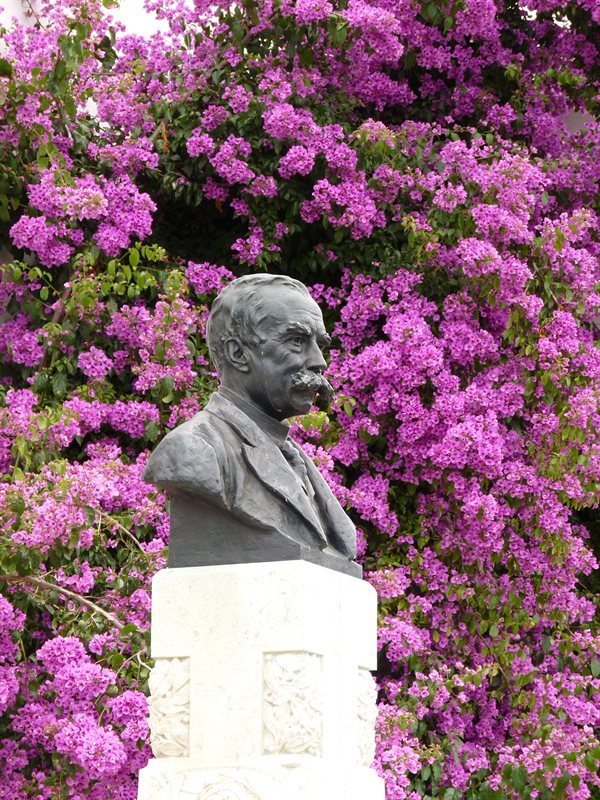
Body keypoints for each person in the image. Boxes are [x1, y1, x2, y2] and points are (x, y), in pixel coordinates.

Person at [143, 274, 359, 576]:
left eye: (319, 344)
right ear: (237, 353)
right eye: (297, 341)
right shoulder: (194, 449)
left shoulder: (295, 459)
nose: (319, 361)